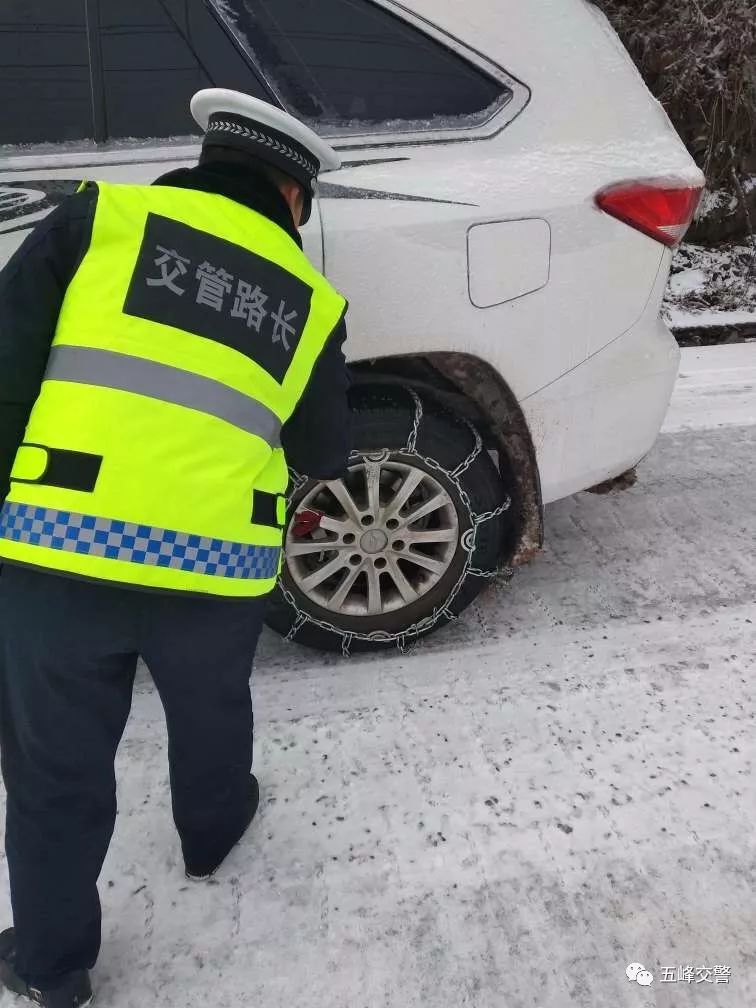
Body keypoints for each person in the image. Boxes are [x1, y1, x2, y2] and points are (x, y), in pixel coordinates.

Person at [0, 89, 351, 1007]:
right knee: (211, 706)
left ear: (205, 164)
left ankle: (52, 965)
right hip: (217, 566)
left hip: (59, 543)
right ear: (294, 199)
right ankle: (214, 829)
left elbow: (4, 375)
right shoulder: (311, 302)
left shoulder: (100, 221)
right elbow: (321, 452)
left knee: (54, 767)